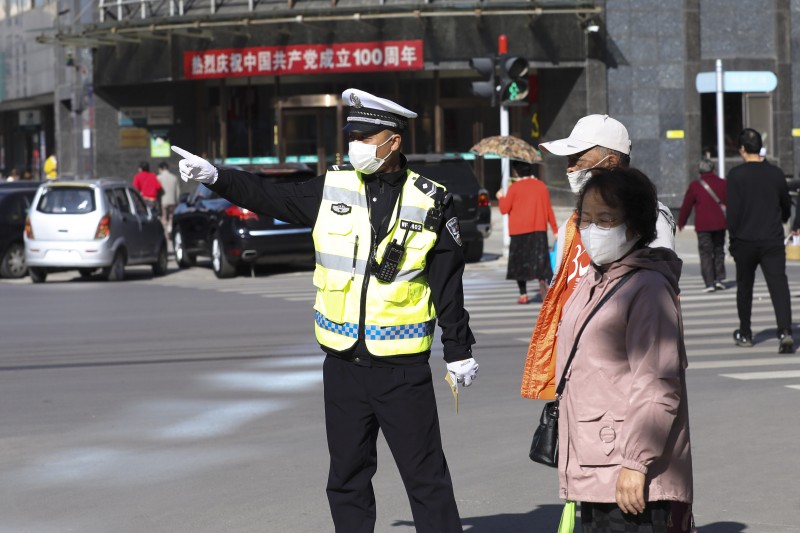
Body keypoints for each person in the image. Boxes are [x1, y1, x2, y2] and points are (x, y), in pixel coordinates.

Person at [171, 88, 478, 533]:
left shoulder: (431, 199)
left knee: (425, 477)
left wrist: (458, 347)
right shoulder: (332, 185)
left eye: (366, 137)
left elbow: (448, 283)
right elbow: (271, 197)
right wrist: (216, 176)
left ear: (393, 141)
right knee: (347, 478)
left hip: (402, 371)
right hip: (342, 365)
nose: (356, 145)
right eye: (351, 135)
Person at [556, 166, 693, 532]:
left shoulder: (648, 288)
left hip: (627, 471)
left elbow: (658, 385)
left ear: (633, 226)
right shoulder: (594, 279)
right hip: (596, 462)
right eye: (585, 219)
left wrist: (635, 463)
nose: (591, 229)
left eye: (605, 219)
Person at [521, 114, 676, 400]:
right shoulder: (574, 222)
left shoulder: (651, 218)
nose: (570, 169)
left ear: (611, 164)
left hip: (619, 376)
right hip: (574, 369)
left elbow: (661, 302)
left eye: (578, 158)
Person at [726, 128, 793, 353]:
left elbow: (732, 214)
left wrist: (733, 239)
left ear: (742, 149)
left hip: (745, 241)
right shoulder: (775, 173)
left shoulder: (735, 176)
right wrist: (782, 220)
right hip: (772, 240)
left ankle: (745, 333)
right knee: (779, 286)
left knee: (745, 287)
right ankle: (785, 331)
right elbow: (785, 205)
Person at [496, 160, 558, 304]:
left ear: (517, 172)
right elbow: (549, 210)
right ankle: (542, 280)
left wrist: (500, 197)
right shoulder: (541, 186)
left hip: (519, 231)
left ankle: (523, 294)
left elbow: (504, 209)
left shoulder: (514, 188)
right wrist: (555, 230)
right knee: (540, 260)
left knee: (520, 264)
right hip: (539, 229)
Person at [677, 158, 727, 292]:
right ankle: (719, 279)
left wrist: (681, 222)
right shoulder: (723, 183)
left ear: (700, 170)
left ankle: (709, 283)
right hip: (720, 224)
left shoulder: (695, 186)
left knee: (706, 253)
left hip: (703, 226)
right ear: (713, 169)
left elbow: (687, 205)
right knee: (719, 250)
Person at [157, 161, 181, 232]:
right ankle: (170, 230)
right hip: (172, 201)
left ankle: (166, 233)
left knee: (164, 218)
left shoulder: (158, 177)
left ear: (160, 169)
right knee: (171, 217)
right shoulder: (174, 178)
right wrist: (177, 202)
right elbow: (178, 191)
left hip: (163, 201)